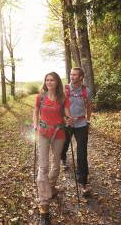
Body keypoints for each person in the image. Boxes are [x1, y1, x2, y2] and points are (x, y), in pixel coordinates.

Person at [33, 72, 70, 225]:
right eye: (47, 80)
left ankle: (52, 187)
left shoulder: (63, 98)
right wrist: (35, 123)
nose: (49, 82)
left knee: (56, 165)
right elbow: (35, 111)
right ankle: (44, 205)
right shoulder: (40, 97)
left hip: (59, 134)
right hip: (43, 133)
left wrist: (69, 119)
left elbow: (67, 115)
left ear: (57, 82)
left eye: (52, 80)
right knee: (43, 167)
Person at [61, 67, 92, 196]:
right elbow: (59, 106)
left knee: (82, 152)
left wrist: (88, 120)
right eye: (70, 74)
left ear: (81, 77)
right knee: (64, 145)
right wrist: (65, 118)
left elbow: (89, 106)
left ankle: (83, 182)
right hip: (67, 123)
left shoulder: (86, 91)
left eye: (74, 75)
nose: (71, 76)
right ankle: (63, 158)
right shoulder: (64, 89)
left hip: (81, 124)